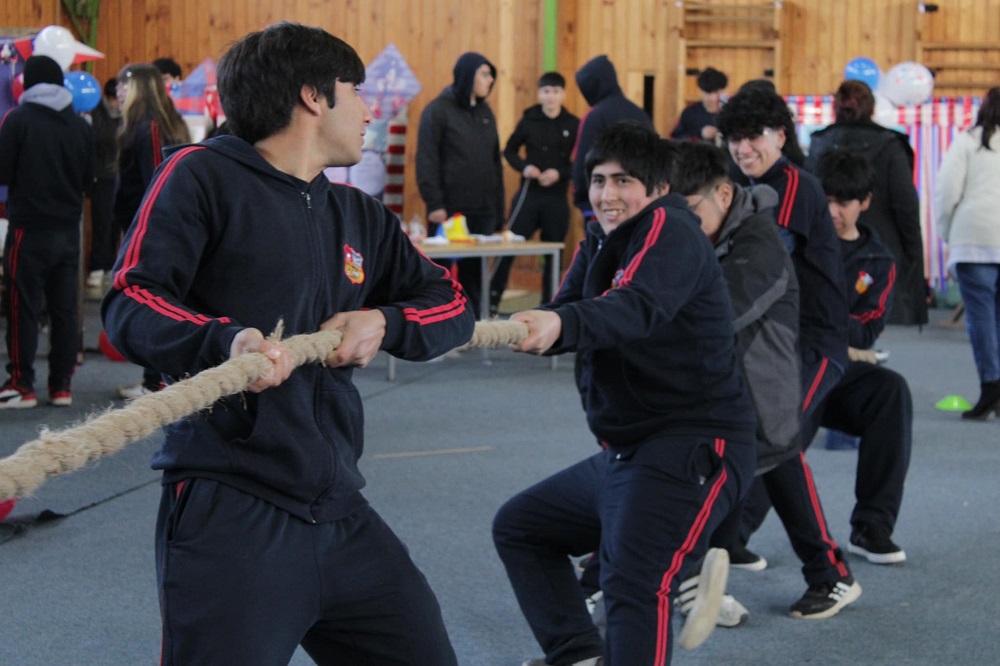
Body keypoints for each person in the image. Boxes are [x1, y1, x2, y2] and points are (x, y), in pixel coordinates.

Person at [101, 22, 473, 665]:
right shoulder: (199, 175)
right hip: (231, 508)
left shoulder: (359, 215)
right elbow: (129, 302)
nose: (369, 109)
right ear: (313, 97)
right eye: (356, 91)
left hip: (338, 506)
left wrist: (384, 321)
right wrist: (227, 342)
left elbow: (454, 306)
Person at [493, 122, 757, 666]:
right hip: (628, 448)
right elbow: (567, 309)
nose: (607, 195)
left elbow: (636, 307)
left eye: (623, 181)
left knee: (635, 584)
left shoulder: (670, 229)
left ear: (658, 188)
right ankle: (579, 654)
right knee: (523, 527)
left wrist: (561, 326)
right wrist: (529, 327)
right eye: (598, 180)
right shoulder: (601, 238)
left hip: (692, 444)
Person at [715, 85, 861, 620]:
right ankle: (716, 547)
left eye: (752, 137)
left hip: (815, 342)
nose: (741, 147)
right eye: (732, 138)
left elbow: (766, 261)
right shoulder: (746, 184)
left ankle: (832, 574)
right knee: (755, 442)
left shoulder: (792, 185)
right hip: (770, 344)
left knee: (776, 446)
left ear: (780, 134)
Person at [670, 140, 801, 627]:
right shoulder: (706, 232)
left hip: (759, 400)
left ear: (724, 195)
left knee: (720, 492)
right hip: (717, 396)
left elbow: (719, 314)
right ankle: (693, 584)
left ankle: (829, 573)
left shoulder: (760, 242)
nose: (679, 225)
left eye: (688, 211)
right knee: (707, 494)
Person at [815, 148, 912, 564]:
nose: (834, 211)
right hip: (794, 369)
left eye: (845, 202)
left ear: (865, 202)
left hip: (843, 371)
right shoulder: (796, 244)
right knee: (780, 431)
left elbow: (867, 329)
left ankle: (871, 526)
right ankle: (734, 535)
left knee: (891, 393)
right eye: (827, 200)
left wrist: (820, 311)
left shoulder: (879, 261)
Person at [0, 55, 94, 409]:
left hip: (28, 230)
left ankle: (21, 384)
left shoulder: (17, 119)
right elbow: (89, 182)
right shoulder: (80, 125)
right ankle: (61, 387)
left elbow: (2, 173)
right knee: (64, 311)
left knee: (22, 306)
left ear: (28, 84)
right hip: (69, 231)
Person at [806, 79, 927, 327]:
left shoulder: (819, 144)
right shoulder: (891, 145)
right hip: (881, 254)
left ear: (836, 108)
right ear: (873, 108)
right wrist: (914, 259)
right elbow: (906, 208)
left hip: (824, 253)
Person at [112, 63, 191, 399]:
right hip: (145, 223)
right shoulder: (147, 124)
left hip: (152, 226)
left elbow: (157, 179)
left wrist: (149, 227)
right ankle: (154, 378)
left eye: (123, 86)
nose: (118, 93)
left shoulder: (152, 126)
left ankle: (154, 381)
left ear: (140, 89)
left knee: (154, 299)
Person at [416, 51, 504, 316]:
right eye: (484, 74)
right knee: (440, 275)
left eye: (491, 75)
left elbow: (494, 164)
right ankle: (436, 322)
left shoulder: (486, 112)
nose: (490, 80)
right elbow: (427, 159)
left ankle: (474, 329)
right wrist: (434, 203)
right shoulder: (437, 110)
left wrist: (499, 212)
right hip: (449, 211)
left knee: (475, 277)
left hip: (484, 211)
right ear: (468, 76)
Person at [488, 71, 579, 313]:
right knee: (509, 248)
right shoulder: (529, 121)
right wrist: (525, 167)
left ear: (563, 94)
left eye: (556, 92)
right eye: (546, 91)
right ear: (539, 94)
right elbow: (509, 151)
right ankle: (491, 300)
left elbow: (580, 162)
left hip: (557, 198)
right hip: (529, 196)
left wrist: (560, 173)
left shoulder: (573, 123)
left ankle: (549, 305)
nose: (551, 97)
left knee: (554, 253)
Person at [935, 86, 1000, 420]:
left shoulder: (967, 141)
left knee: (981, 318)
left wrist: (948, 235)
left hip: (974, 239)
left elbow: (947, 192)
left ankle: (991, 385)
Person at [571, 55, 652, 223]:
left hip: (605, 207)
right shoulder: (639, 113)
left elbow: (582, 163)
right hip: (641, 204)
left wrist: (584, 203)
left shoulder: (594, 117)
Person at [86, 77, 122, 290]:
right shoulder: (96, 115)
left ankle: (110, 265)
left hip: (118, 176)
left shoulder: (124, 115)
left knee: (115, 222)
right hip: (102, 177)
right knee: (102, 222)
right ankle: (97, 267)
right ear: (110, 97)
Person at [670, 67, 728, 142]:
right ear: (701, 91)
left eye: (717, 92)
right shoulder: (689, 113)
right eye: (708, 93)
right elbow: (674, 139)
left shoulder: (729, 112)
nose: (713, 98)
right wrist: (700, 133)